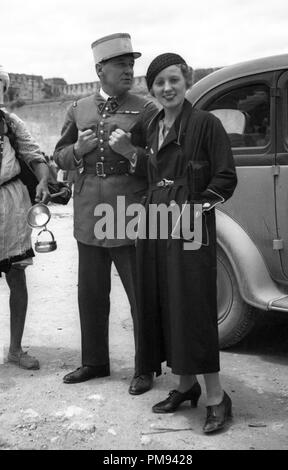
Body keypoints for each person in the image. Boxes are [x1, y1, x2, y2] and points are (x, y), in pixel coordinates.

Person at [109, 53, 237, 433]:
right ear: (152, 90)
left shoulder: (206, 125)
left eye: (173, 80)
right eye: (159, 83)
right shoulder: (151, 123)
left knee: (193, 307)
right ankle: (185, 385)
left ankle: (216, 396)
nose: (167, 88)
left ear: (186, 79)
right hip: (154, 223)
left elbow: (225, 180)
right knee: (163, 302)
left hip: (190, 226)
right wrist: (129, 153)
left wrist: (194, 212)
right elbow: (152, 171)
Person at [54, 33, 157, 394]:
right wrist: (77, 151)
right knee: (91, 293)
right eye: (121, 64)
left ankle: (146, 367)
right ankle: (95, 361)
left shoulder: (146, 109)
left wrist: (131, 152)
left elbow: (159, 165)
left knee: (139, 294)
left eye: (131, 64)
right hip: (88, 213)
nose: (129, 70)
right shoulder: (78, 108)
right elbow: (60, 155)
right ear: (100, 69)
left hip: (128, 212)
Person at [0, 66, 49, 369]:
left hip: (11, 207)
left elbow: (35, 155)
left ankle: (15, 349)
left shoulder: (10, 122)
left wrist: (43, 180)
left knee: (16, 276)